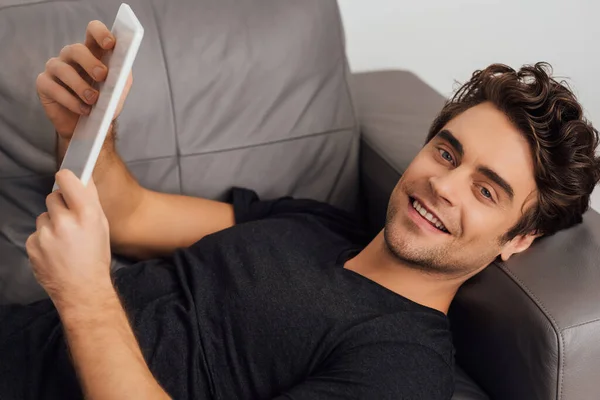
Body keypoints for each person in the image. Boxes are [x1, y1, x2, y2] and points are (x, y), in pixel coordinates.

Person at [1, 20, 599, 400]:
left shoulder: (402, 367)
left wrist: (84, 299)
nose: (444, 185)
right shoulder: (317, 223)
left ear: (519, 238)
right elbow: (128, 217)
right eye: (447, 152)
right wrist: (88, 128)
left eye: (486, 190)